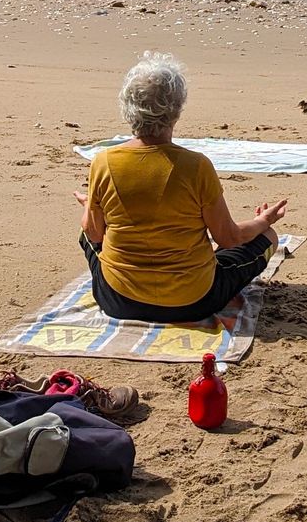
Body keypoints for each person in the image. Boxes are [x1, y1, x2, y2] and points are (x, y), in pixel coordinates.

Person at [75, 52, 288, 323]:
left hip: (119, 300)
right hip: (193, 301)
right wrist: (261, 221)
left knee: (86, 235)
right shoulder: (196, 166)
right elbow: (229, 238)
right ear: (176, 110)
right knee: (267, 237)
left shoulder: (103, 162)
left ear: (129, 108)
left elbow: (94, 231)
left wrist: (91, 208)